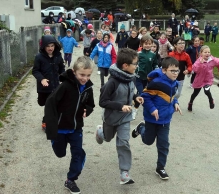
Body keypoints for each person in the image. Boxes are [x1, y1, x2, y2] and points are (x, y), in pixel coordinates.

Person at [44, 56, 95, 194]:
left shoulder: (88, 88)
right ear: (74, 72)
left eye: (88, 75)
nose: (85, 78)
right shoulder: (65, 86)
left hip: (76, 128)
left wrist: (87, 110)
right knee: (60, 154)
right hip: (60, 128)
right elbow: (50, 103)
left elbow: (91, 104)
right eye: (82, 75)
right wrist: (50, 125)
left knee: (77, 154)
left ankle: (71, 180)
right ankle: (56, 143)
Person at [96, 48, 144, 185]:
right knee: (108, 138)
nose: (137, 66)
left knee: (123, 142)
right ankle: (101, 132)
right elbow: (102, 102)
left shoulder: (131, 77)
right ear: (125, 66)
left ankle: (124, 172)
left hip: (125, 118)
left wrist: (136, 97)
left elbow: (130, 92)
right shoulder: (112, 82)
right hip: (111, 117)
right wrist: (120, 106)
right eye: (135, 64)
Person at [131, 57, 182, 180]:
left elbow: (172, 96)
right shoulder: (156, 83)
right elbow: (145, 97)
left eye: (177, 70)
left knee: (163, 144)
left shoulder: (175, 83)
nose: (175, 73)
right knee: (148, 141)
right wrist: (153, 109)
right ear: (164, 70)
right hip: (152, 119)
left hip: (165, 120)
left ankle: (160, 168)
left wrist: (176, 103)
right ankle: (141, 128)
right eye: (172, 71)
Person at [32, 35, 65, 131]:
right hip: (44, 87)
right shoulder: (39, 57)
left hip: (55, 86)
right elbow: (35, 71)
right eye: (48, 46)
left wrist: (63, 76)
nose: (50, 48)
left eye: (52, 46)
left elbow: (61, 68)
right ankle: (46, 120)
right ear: (44, 47)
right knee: (43, 103)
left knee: (53, 105)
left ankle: (47, 122)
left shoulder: (58, 55)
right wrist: (42, 79)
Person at [187, 45, 219, 111]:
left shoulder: (212, 60)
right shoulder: (199, 61)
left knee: (207, 91)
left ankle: (211, 100)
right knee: (195, 93)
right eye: (205, 52)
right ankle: (190, 103)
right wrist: (200, 64)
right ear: (201, 53)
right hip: (199, 80)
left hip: (208, 79)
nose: (207, 54)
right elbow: (195, 70)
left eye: (208, 52)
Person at [133, 35, 158, 119]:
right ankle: (136, 111)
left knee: (144, 94)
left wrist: (157, 72)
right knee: (142, 94)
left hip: (148, 79)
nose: (147, 45)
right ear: (141, 44)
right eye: (146, 43)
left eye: (149, 44)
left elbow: (155, 65)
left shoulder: (153, 55)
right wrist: (135, 69)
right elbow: (134, 64)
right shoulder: (138, 54)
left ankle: (135, 104)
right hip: (138, 78)